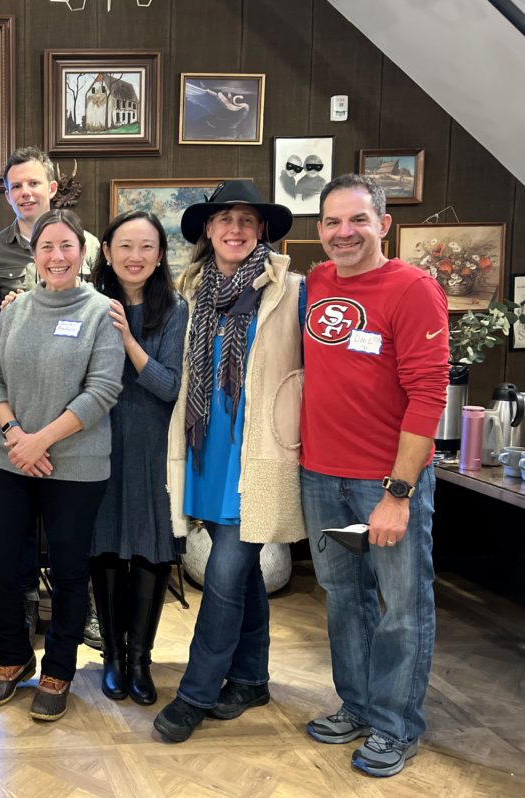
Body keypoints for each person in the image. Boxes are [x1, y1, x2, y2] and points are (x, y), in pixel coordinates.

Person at [301, 174, 448, 778]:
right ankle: (358, 704)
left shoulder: (413, 289)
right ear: (320, 231)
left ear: (383, 224)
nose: (345, 233)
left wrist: (398, 492)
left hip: (383, 482)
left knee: (402, 605)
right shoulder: (315, 282)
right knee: (343, 598)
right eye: (333, 222)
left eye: (358, 220)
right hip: (320, 476)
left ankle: (395, 726)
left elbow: (428, 394)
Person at [154, 181, 305, 743]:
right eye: (225, 220)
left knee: (222, 578)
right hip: (204, 456)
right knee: (237, 576)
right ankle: (250, 677)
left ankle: (196, 692)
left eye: (247, 220)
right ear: (208, 231)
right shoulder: (190, 293)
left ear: (262, 229)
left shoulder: (291, 291)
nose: (235, 229)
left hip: (256, 458)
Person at [0, 209, 123, 722]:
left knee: (67, 572)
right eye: (46, 247)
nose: (56, 257)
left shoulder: (102, 311)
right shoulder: (14, 310)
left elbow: (103, 389)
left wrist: (41, 440)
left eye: (66, 246)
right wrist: (15, 434)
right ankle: (14, 659)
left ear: (81, 252)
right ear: (34, 254)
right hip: (11, 458)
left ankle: (59, 668)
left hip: (76, 466)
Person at [89, 211, 188, 705]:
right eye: (125, 246)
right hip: (93, 444)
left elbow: (170, 386)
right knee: (104, 546)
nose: (135, 256)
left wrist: (127, 340)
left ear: (160, 254)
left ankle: (139, 661)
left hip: (153, 448)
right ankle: (110, 655)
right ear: (106, 252)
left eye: (146, 247)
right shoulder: (87, 304)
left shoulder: (174, 309)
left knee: (152, 549)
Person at [0, 146, 99, 306]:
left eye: (33, 183)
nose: (25, 192)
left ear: (52, 189)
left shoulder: (89, 245)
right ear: (8, 196)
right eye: (16, 186)